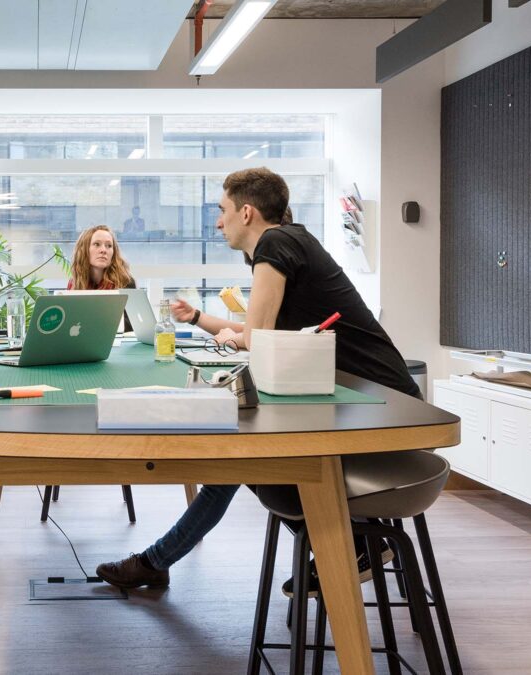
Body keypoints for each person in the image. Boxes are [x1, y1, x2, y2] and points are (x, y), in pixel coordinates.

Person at [95, 168, 419, 596]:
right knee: (238, 459)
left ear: (246, 212)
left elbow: (257, 335)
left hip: (375, 409)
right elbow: (257, 334)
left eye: (222, 211)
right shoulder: (289, 242)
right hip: (354, 401)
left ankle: (355, 539)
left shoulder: (276, 243)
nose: (217, 222)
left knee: (241, 458)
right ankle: (351, 539)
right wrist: (208, 323)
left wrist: (234, 340)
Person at [68, 224, 136, 331]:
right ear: (84, 249)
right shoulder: (75, 283)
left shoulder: (126, 281)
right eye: (97, 244)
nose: (103, 250)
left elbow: (132, 325)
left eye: (109, 246)